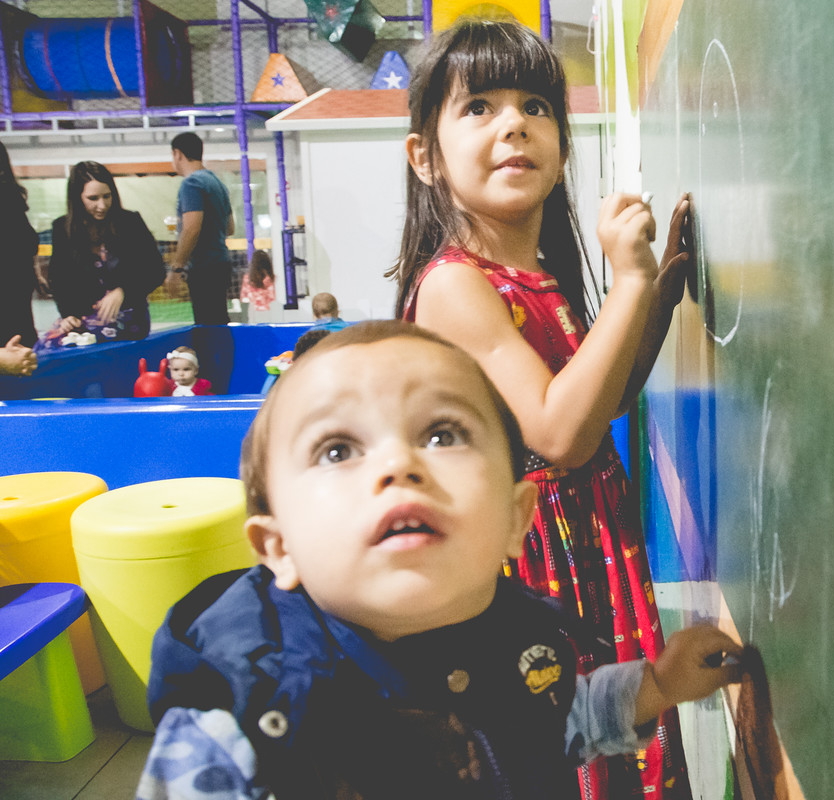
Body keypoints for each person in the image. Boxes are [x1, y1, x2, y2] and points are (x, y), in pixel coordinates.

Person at [136, 321, 740, 800]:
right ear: (279, 548)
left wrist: (656, 685)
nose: (398, 465)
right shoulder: (234, 732)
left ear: (516, 520)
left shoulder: (517, 643)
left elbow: (550, 720)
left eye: (442, 435)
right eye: (337, 449)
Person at [393, 19, 694, 800]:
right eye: (479, 107)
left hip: (581, 544)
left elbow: (601, 402)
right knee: (561, 755)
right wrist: (630, 283)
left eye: (535, 106)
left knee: (609, 745)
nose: (514, 124)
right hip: (535, 563)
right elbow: (561, 436)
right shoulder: (456, 284)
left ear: (560, 146)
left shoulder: (534, 278)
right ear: (425, 157)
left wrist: (658, 295)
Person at [41, 161, 163, 349]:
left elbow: (155, 270)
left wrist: (123, 290)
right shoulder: (62, 228)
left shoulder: (130, 223)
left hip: (128, 321)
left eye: (107, 196)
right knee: (47, 348)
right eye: (93, 198)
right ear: (77, 198)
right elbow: (59, 279)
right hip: (82, 323)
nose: (102, 205)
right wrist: (68, 315)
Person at [164, 132, 234, 325]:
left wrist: (176, 268)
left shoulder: (191, 184)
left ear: (177, 154)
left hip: (204, 268)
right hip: (221, 263)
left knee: (207, 328)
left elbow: (192, 228)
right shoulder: (217, 183)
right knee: (219, 322)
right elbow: (230, 228)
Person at [0, 141, 40, 349]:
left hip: (13, 285)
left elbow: (28, 241)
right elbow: (29, 241)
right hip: (16, 285)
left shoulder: (7, 196)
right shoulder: (10, 194)